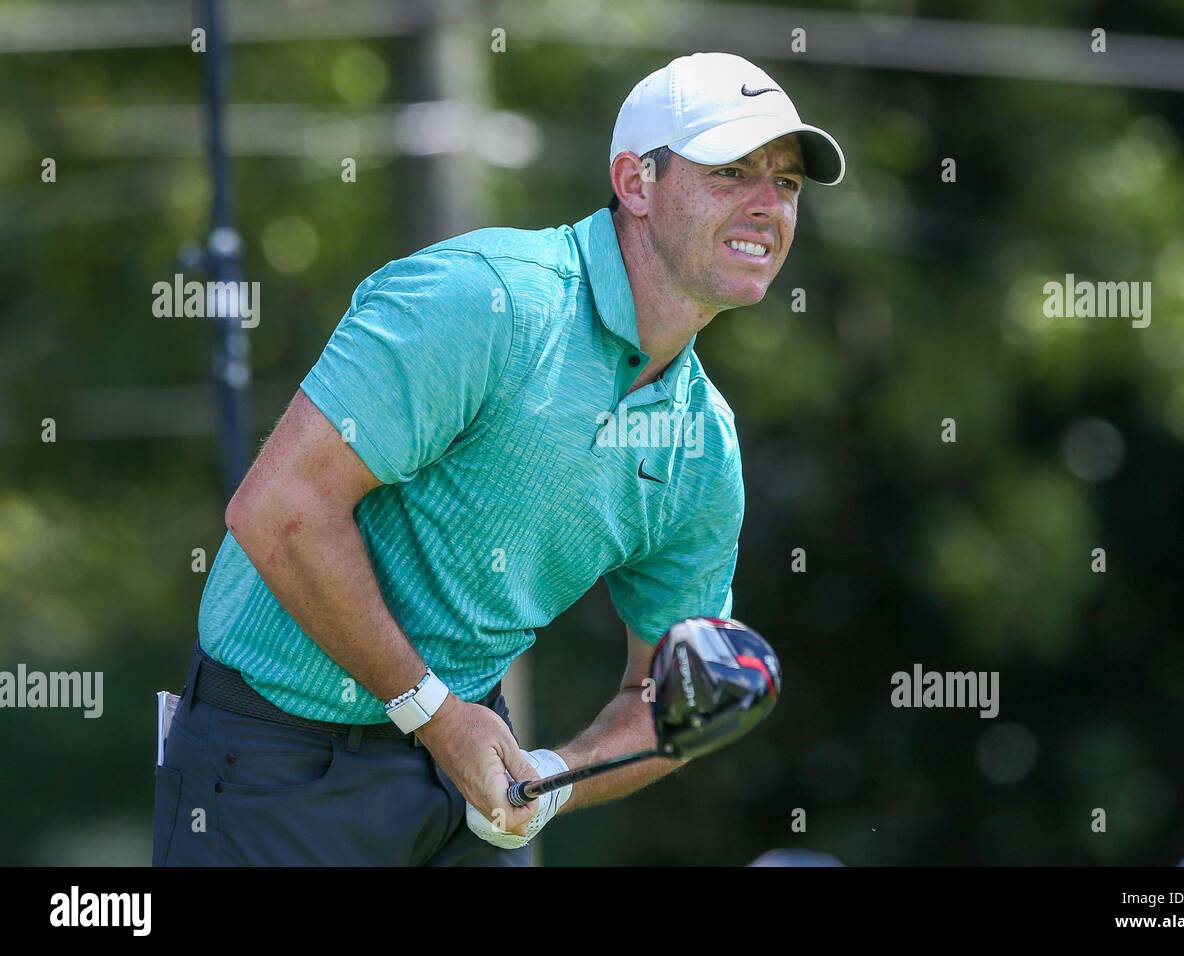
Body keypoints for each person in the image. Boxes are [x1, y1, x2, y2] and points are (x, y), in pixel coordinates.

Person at [152, 51, 845, 866]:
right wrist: (435, 715)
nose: (769, 205)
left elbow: (669, 696)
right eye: (732, 172)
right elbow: (278, 510)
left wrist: (555, 777)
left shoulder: (703, 442)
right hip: (274, 761)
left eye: (788, 183)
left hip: (467, 764)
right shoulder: (484, 301)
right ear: (635, 182)